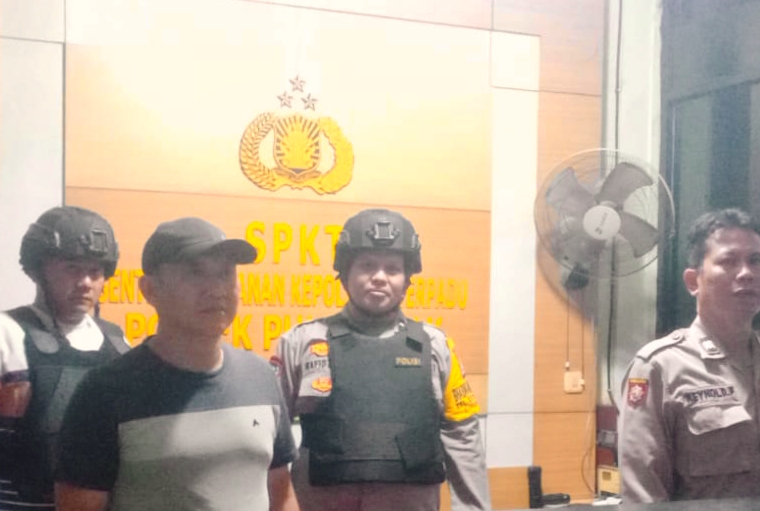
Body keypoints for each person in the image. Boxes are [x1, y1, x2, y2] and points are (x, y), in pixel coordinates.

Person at [55, 217, 300, 511]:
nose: (216, 289)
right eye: (195, 273)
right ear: (150, 290)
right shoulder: (104, 392)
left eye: (225, 274)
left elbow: (281, 495)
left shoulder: (260, 377)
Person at [272, 208, 491, 511]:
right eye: (367, 266)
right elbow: (269, 438)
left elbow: (464, 438)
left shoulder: (436, 347)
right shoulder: (301, 342)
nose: (379, 277)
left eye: (392, 269)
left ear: (407, 280)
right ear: (345, 273)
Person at [618, 207, 760, 502]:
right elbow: (643, 497)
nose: (747, 273)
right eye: (728, 261)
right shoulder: (659, 367)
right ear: (693, 281)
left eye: (756, 260)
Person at [0, 205, 129, 511]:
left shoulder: (118, 343)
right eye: (72, 268)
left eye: (95, 271)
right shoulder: (7, 333)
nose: (85, 282)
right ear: (38, 270)